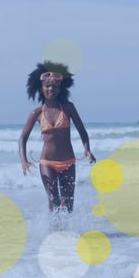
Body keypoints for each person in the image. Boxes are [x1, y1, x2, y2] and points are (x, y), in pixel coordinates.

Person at [18, 61, 96, 214]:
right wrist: (23, 160)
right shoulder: (37, 113)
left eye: (54, 86)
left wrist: (87, 150)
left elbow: (82, 130)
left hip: (68, 162)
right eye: (47, 86)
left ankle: (66, 232)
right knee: (53, 200)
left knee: (68, 204)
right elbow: (22, 138)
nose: (51, 89)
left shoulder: (68, 108)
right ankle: (54, 231)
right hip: (47, 163)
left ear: (60, 88)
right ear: (41, 88)